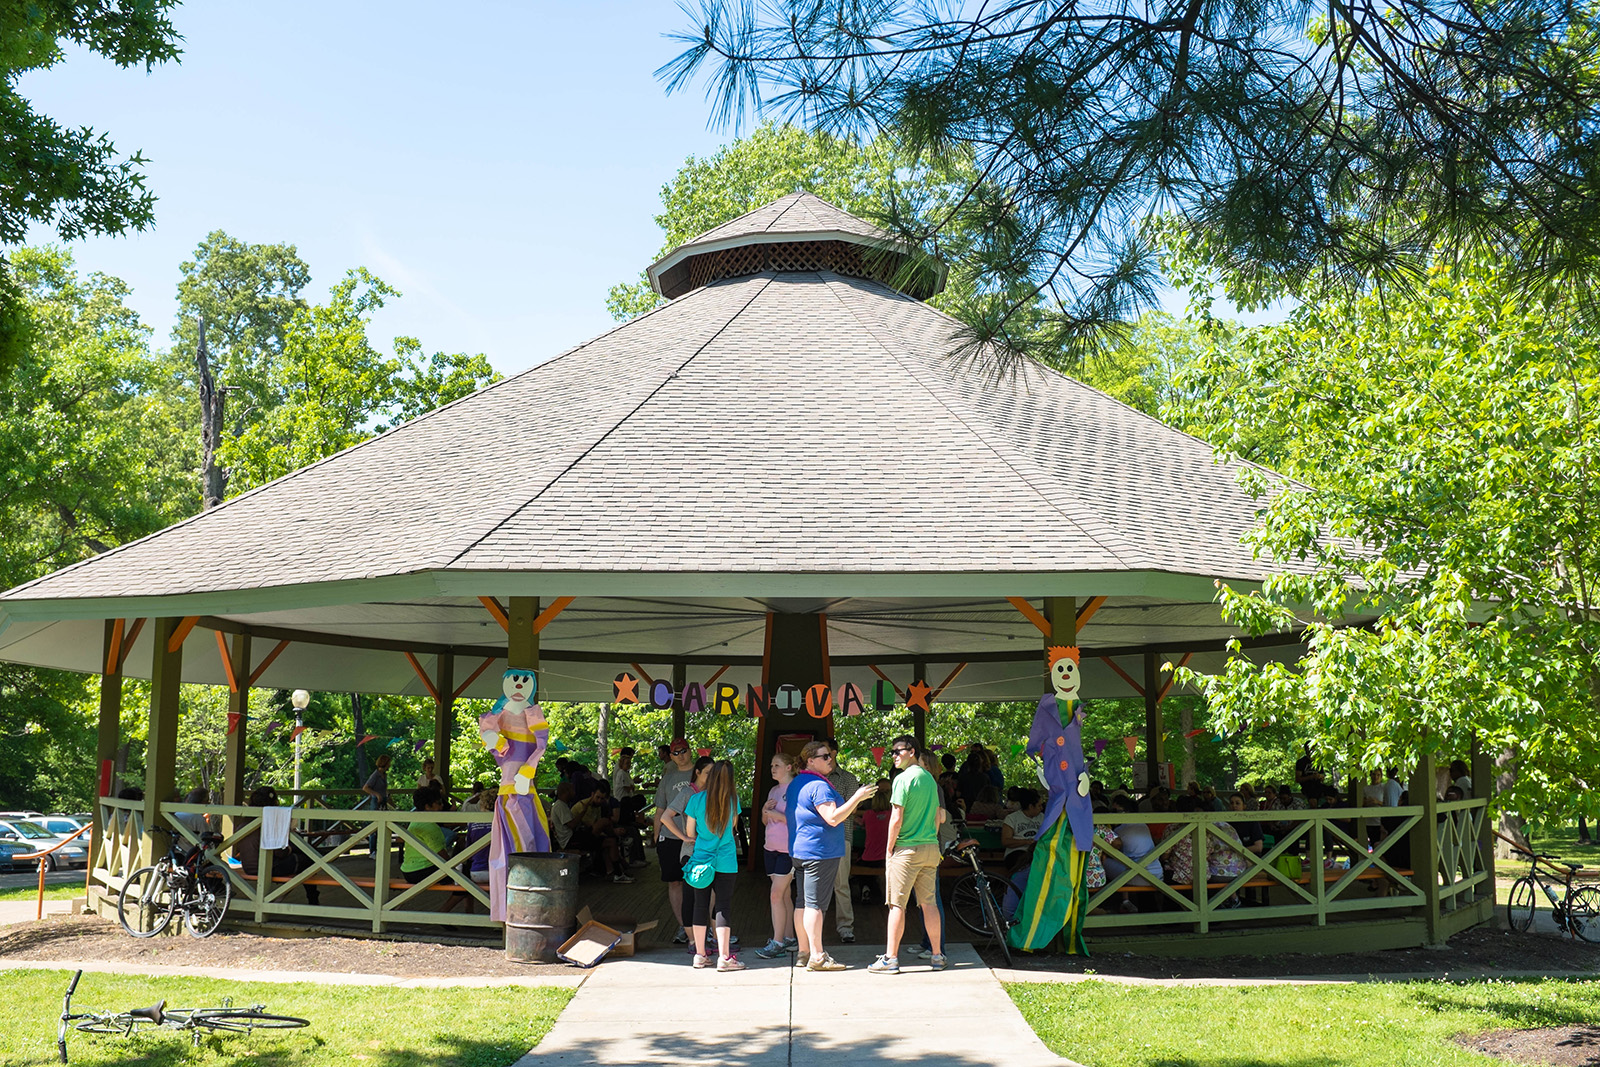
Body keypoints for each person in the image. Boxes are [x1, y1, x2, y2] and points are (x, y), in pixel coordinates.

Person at [787, 740, 876, 971]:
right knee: (815, 905)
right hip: (820, 852)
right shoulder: (820, 786)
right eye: (824, 756)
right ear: (810, 761)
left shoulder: (798, 782)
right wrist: (857, 797)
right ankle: (817, 957)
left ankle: (804, 952)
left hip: (801, 851)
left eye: (830, 755)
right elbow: (833, 817)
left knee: (803, 903)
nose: (830, 759)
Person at [869, 735, 946, 974]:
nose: (893, 755)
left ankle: (891, 959)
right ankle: (937, 955)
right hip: (930, 848)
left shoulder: (902, 780)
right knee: (929, 904)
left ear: (912, 751)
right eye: (892, 752)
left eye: (897, 751)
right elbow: (937, 817)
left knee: (897, 906)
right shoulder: (930, 781)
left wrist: (889, 849)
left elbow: (896, 818)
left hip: (906, 850)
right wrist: (929, 838)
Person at [683, 759, 744, 970]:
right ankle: (724, 957)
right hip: (726, 860)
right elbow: (733, 828)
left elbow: (690, 833)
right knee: (722, 907)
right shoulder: (732, 801)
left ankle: (700, 955)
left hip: (700, 861)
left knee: (700, 905)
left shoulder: (696, 800)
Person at [234, 786, 321, 905]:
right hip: (269, 868)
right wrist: (290, 848)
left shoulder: (243, 823)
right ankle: (310, 898)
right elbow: (280, 852)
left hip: (248, 867)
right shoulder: (269, 822)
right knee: (309, 860)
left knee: (303, 857)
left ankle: (282, 896)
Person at [661, 755, 715, 938]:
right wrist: (683, 836)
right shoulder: (687, 793)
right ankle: (693, 937)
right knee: (692, 895)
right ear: (698, 773)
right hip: (692, 851)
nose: (712, 776)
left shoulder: (715, 792)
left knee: (713, 893)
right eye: (708, 773)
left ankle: (711, 932)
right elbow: (665, 817)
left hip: (713, 850)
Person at [755, 752, 800, 959]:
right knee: (783, 895)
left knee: (775, 895)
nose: (773, 768)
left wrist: (776, 816)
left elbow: (798, 821)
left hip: (787, 850)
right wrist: (765, 811)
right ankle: (790, 937)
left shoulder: (795, 789)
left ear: (789, 767)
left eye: (777, 765)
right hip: (770, 847)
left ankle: (777, 942)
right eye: (772, 765)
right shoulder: (773, 790)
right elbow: (766, 822)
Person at [653, 739, 697, 943]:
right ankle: (683, 926)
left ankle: (704, 926)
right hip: (670, 836)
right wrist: (656, 835)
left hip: (696, 838)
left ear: (690, 751)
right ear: (670, 756)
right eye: (675, 753)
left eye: (683, 751)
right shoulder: (667, 778)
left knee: (700, 881)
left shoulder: (700, 772)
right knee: (674, 881)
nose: (680, 755)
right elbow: (660, 809)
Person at [822, 737, 861, 943]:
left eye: (825, 752)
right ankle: (811, 930)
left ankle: (845, 927)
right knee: (813, 887)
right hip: (815, 840)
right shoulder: (812, 778)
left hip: (840, 837)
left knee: (841, 885)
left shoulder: (848, 778)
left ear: (834, 753)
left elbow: (852, 809)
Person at [571, 781, 632, 883]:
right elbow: (591, 825)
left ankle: (616, 873)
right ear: (592, 794)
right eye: (597, 797)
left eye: (602, 798)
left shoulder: (598, 807)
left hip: (592, 836)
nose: (599, 800)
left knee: (611, 842)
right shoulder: (582, 806)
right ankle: (617, 836)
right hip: (578, 837)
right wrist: (611, 830)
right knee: (605, 821)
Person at [401, 786, 450, 884]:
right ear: (427, 806)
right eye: (439, 803)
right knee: (464, 875)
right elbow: (441, 854)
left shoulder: (415, 821)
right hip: (423, 871)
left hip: (408, 871)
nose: (442, 806)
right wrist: (454, 865)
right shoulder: (429, 826)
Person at [1001, 788, 1044, 869]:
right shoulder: (1011, 818)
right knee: (1025, 860)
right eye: (1039, 805)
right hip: (1016, 852)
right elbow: (1005, 841)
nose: (1041, 808)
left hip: (1038, 851)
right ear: (1031, 806)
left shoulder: (1043, 818)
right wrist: (1027, 842)